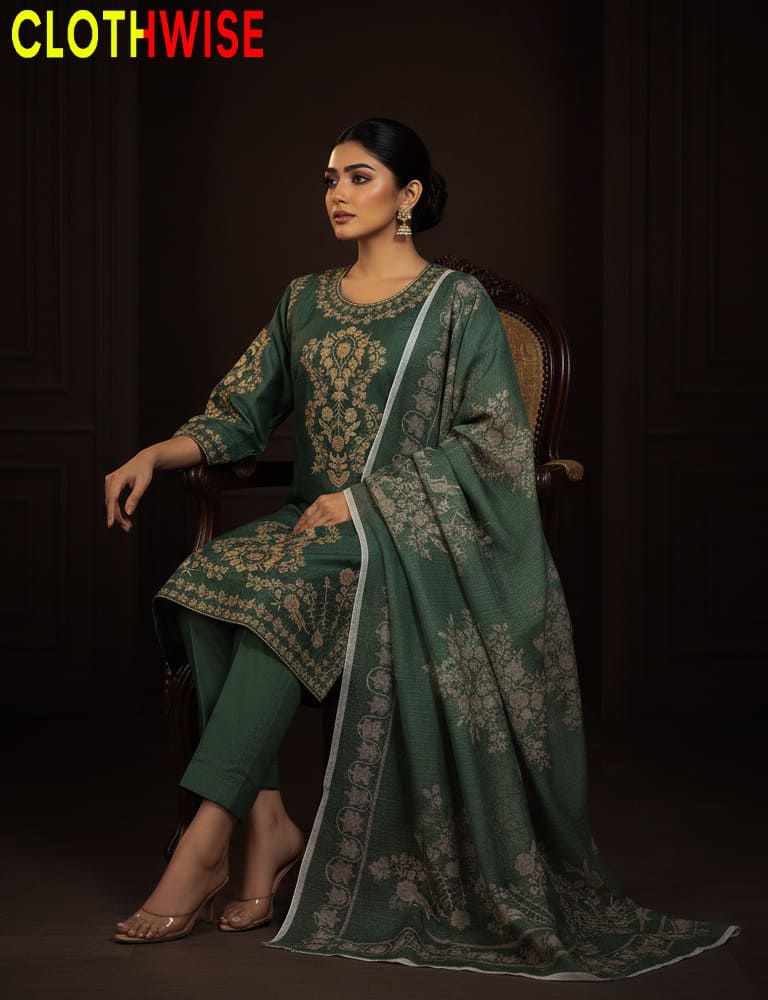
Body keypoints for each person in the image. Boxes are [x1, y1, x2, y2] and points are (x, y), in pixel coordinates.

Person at [104, 118, 739, 977]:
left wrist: (367, 503)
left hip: (401, 538)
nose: (336, 193)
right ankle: (267, 830)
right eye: (329, 178)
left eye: (359, 178)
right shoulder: (301, 299)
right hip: (308, 531)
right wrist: (154, 452)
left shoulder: (457, 305)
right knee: (206, 581)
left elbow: (494, 443)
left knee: (265, 594)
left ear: (408, 197)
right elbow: (238, 412)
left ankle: (207, 840)